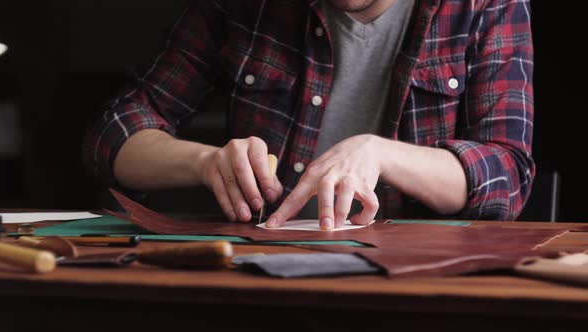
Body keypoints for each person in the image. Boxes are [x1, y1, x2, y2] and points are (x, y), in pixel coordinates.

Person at [83, 0, 534, 230]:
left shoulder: (484, 4)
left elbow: (508, 176)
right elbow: (114, 134)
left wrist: (380, 155)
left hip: (420, 289)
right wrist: (207, 163)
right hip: (260, 284)